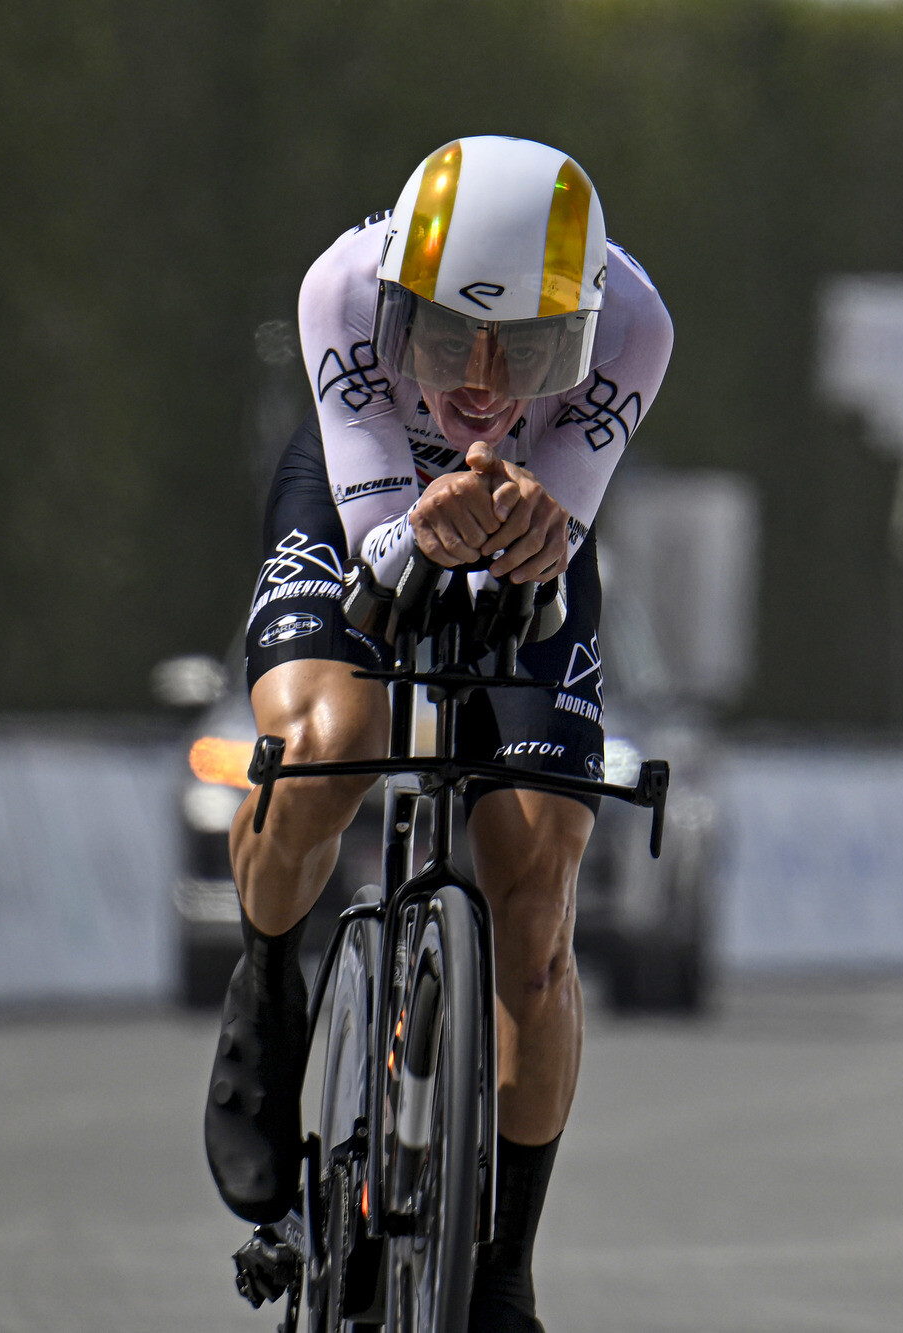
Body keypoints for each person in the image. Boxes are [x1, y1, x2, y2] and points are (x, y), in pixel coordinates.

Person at [206, 136, 673, 1332]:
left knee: (537, 888)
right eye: (446, 336)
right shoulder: (339, 288)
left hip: (525, 525)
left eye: (529, 350)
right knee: (329, 744)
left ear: (584, 326)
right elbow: (379, 548)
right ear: (394, 304)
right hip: (357, 500)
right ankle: (267, 981)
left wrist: (524, 528)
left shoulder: (635, 325)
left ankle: (506, 1266)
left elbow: (556, 525)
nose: (478, 382)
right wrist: (418, 529)